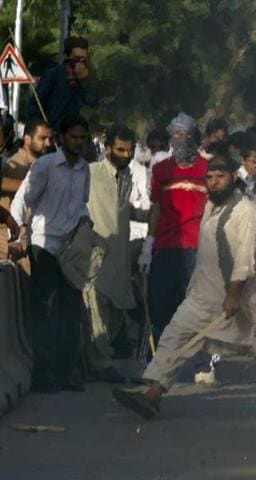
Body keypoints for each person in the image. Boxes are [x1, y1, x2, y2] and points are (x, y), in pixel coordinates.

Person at [112, 155, 256, 420]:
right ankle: (153, 394)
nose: (214, 183)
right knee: (176, 334)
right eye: (210, 179)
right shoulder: (212, 205)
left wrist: (234, 296)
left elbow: (245, 259)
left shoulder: (245, 211)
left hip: (244, 295)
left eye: (220, 177)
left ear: (233, 178)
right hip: (206, 293)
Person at [22, 115, 92, 391]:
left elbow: (82, 203)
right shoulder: (45, 166)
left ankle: (65, 373)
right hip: (45, 245)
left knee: (70, 311)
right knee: (45, 310)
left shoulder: (84, 169)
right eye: (74, 137)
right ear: (63, 138)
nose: (78, 142)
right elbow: (27, 198)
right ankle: (43, 374)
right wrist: (21, 232)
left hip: (72, 248)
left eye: (83, 138)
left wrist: (85, 219)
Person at [84, 125, 148, 381]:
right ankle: (98, 365)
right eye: (120, 149)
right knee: (95, 314)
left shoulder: (127, 177)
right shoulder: (90, 173)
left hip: (119, 258)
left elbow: (122, 210)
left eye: (130, 150)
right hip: (95, 256)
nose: (126, 155)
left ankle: (97, 363)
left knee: (111, 315)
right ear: (107, 147)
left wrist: (151, 215)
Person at [138, 113, 208, 342]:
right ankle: (158, 355)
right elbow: (155, 207)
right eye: (175, 134)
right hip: (165, 246)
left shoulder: (207, 169)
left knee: (197, 305)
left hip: (197, 247)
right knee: (160, 302)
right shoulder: (161, 170)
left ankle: (200, 360)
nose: (179, 139)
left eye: (184, 134)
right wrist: (148, 245)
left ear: (194, 137)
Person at [1, 119, 53, 260]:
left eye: (50, 138)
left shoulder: (40, 165)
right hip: (14, 235)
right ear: (27, 139)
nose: (48, 143)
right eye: (42, 138)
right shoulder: (17, 163)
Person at [25, 37, 98, 133]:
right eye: (76, 59)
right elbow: (35, 105)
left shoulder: (86, 78)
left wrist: (84, 82)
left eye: (83, 60)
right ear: (66, 57)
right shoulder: (53, 75)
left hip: (74, 135)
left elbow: (92, 103)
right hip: (53, 133)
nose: (79, 63)